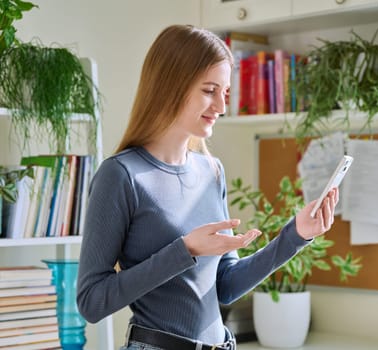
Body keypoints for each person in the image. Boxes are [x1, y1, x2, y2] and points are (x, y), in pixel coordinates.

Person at [76, 24, 338, 350]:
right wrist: (184, 251)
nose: (221, 107)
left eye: (225, 93)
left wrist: (295, 236)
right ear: (171, 85)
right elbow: (91, 302)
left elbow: (225, 286)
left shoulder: (211, 172)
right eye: (209, 90)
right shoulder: (120, 175)